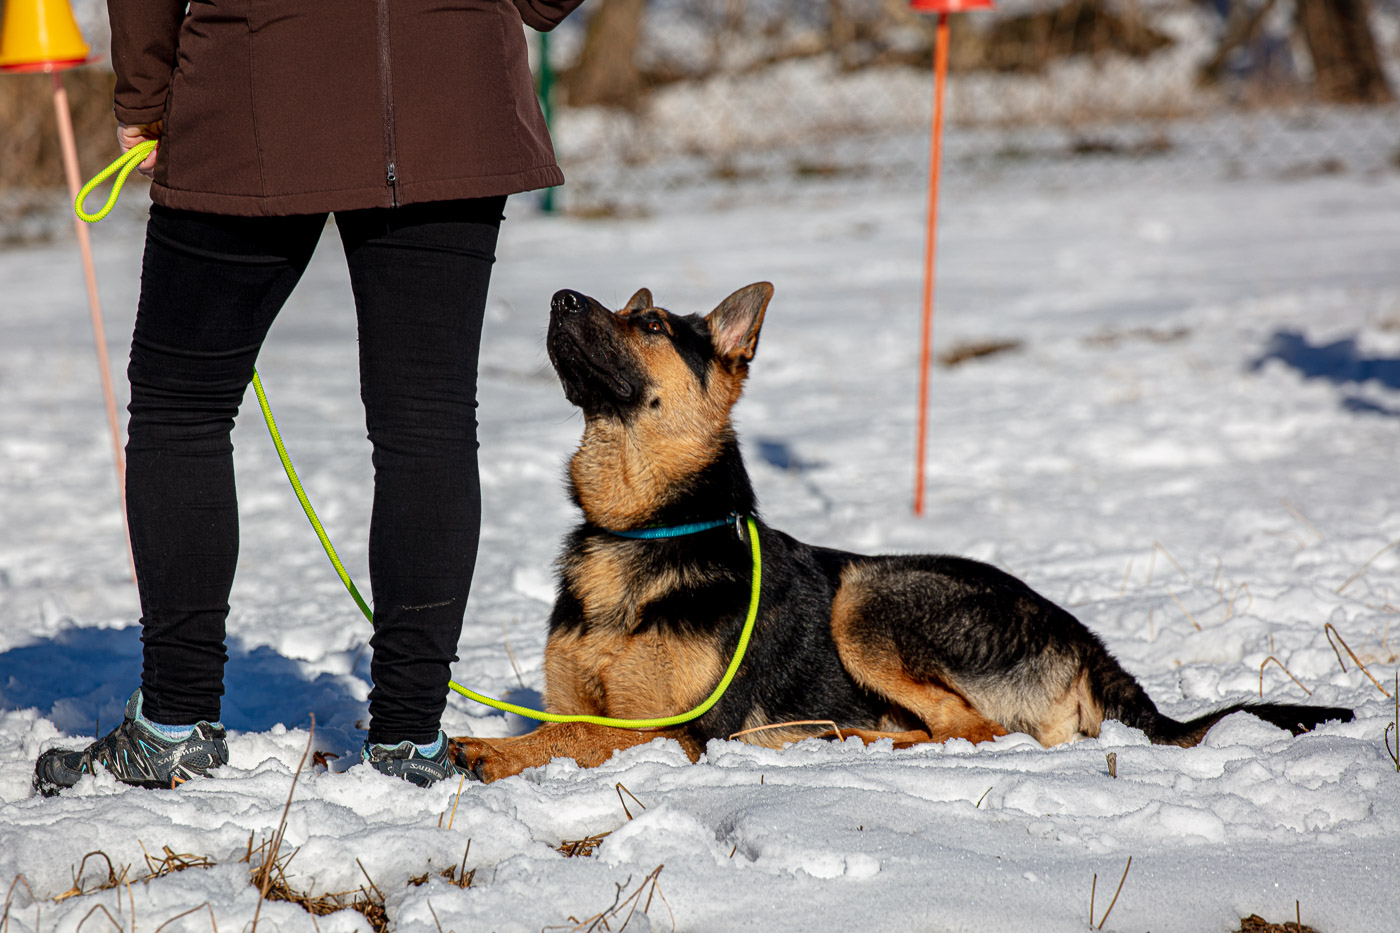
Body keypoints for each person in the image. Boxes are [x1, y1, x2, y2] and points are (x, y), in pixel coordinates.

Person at [35, 0, 585, 794]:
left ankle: (175, 726)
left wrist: (145, 96)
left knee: (181, 404)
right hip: (450, 82)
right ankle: (409, 741)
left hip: (256, 81)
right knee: (425, 422)